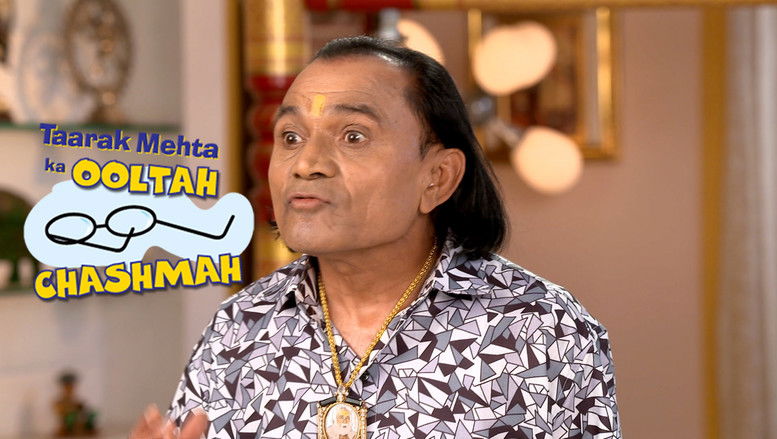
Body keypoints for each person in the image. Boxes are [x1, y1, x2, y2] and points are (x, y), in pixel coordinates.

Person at [130, 36, 620, 439]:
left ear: (438, 178)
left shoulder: (541, 330)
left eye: (353, 136)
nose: (306, 164)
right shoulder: (238, 329)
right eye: (291, 137)